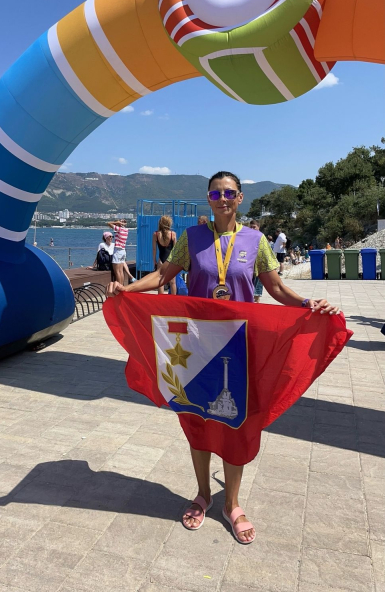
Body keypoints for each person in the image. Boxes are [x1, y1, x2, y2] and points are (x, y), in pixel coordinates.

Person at [106, 171, 339, 544]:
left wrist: (308, 303)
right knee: (196, 420)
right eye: (215, 193)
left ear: (240, 197)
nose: (223, 199)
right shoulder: (191, 237)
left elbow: (276, 288)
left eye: (229, 193)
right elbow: (164, 276)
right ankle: (203, 495)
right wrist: (127, 289)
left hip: (239, 346)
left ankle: (232, 504)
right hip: (195, 347)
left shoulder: (256, 241)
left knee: (236, 425)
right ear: (209, 199)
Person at [152, 216, 177, 295]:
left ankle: (161, 299)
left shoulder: (156, 234)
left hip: (161, 260)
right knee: (172, 282)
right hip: (171, 260)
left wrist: (154, 260)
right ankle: (173, 299)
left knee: (160, 282)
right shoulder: (173, 234)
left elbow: (154, 249)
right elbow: (175, 250)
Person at [107, 219, 135, 284]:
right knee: (121, 271)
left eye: (120, 221)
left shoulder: (119, 229)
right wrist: (119, 223)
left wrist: (117, 222)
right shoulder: (126, 230)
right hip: (123, 251)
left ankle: (119, 286)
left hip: (118, 251)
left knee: (117, 271)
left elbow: (109, 223)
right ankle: (121, 286)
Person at [249, 220, 263, 302]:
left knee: (258, 282)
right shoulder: (247, 237)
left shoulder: (261, 237)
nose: (252, 229)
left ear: (258, 227)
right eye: (250, 227)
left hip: (259, 263)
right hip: (250, 263)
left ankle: (257, 299)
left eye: (254, 227)